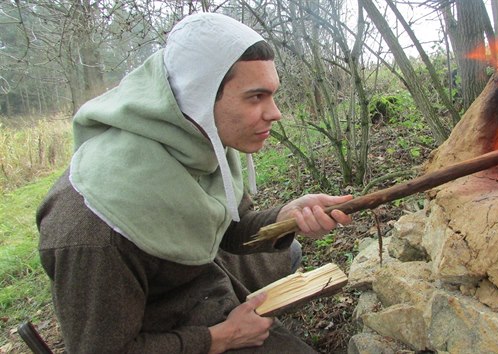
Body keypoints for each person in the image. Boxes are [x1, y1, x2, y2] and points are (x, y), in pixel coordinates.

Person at [36, 13, 352, 353]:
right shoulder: (94, 227)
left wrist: (286, 217)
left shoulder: (200, 139)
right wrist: (222, 337)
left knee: (287, 252)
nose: (275, 113)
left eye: (272, 95)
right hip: (163, 325)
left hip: (200, 278)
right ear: (198, 96)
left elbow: (230, 228)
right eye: (255, 96)